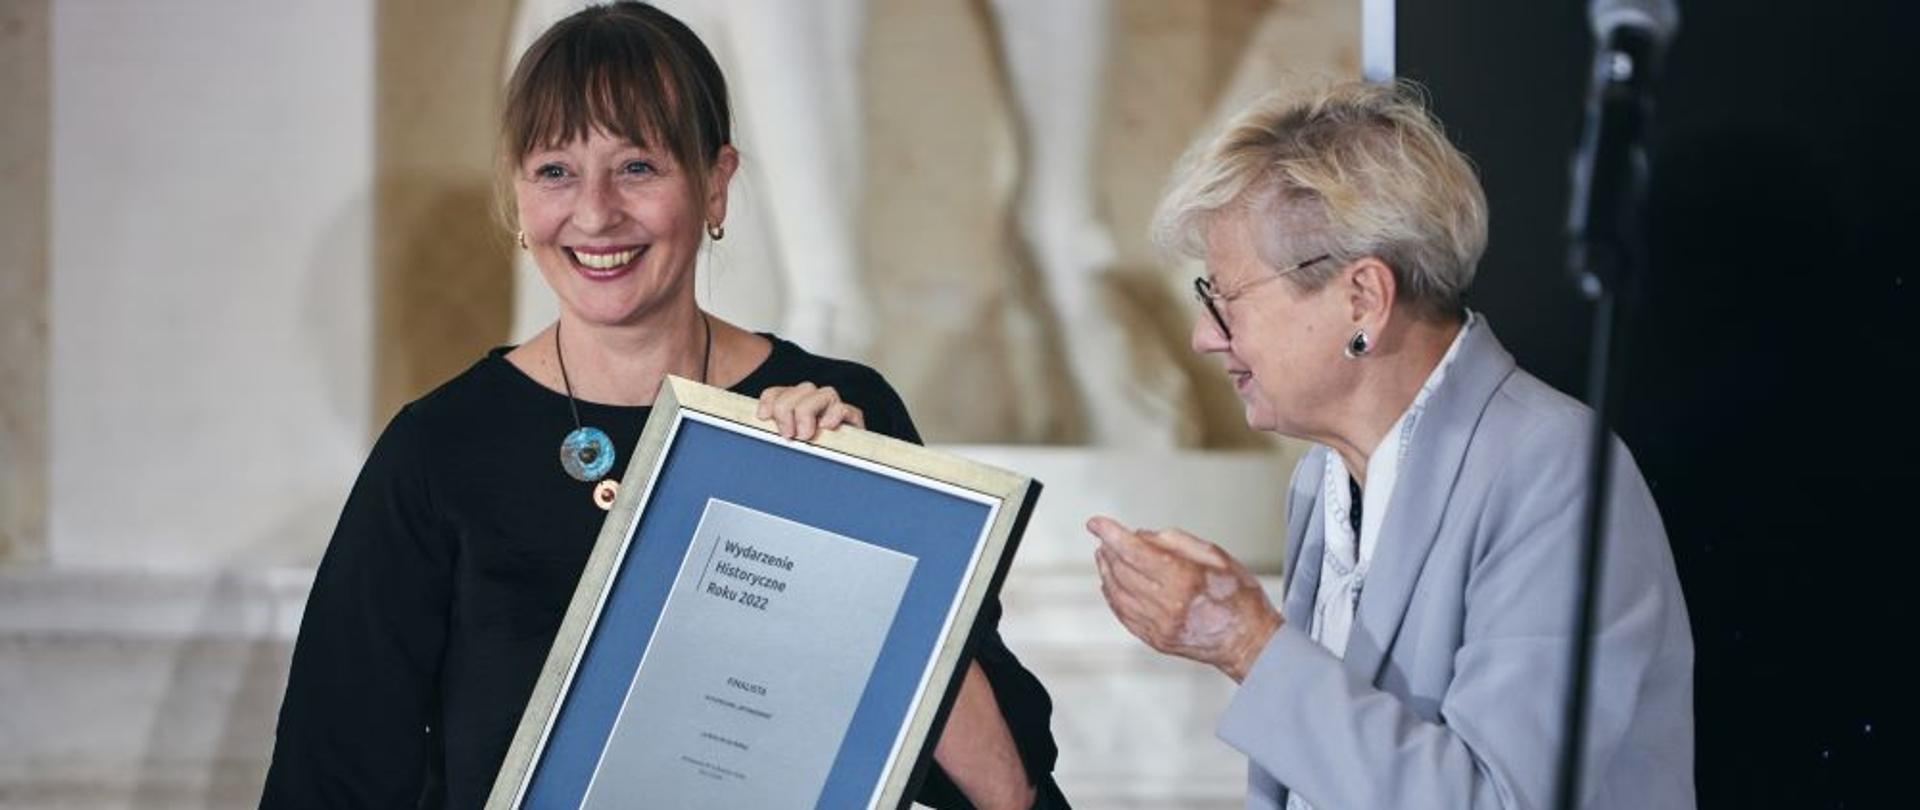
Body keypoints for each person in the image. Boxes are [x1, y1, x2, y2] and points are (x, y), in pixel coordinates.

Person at [260, 4, 1064, 808]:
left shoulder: (843, 413)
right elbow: (328, 780)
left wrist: (860, 513)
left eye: (637, 166)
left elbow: (1007, 792)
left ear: (716, 184)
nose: (596, 212)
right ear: (517, 194)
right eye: (555, 171)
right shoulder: (438, 451)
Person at [1085, 80, 1694, 809]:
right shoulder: (1324, 479)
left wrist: (1248, 645)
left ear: (1363, 299)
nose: (1204, 337)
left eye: (1224, 297)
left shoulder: (1553, 472)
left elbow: (1499, 802)